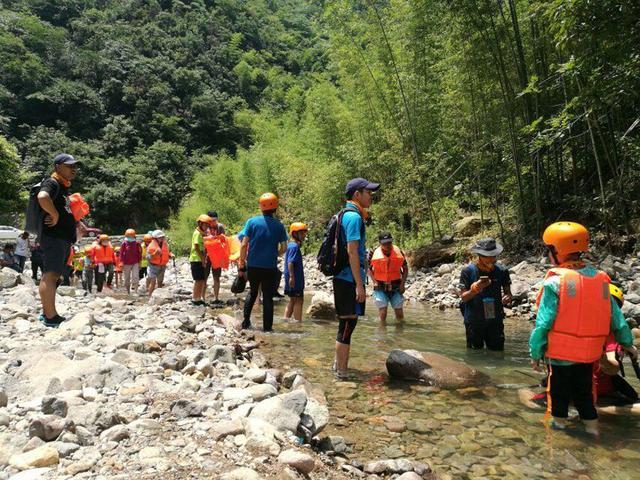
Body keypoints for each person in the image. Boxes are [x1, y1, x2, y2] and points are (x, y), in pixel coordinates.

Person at [529, 221, 637, 435]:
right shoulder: (602, 281)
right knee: (585, 397)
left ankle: (558, 436)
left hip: (560, 356)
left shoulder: (554, 283)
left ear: (556, 251)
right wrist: (628, 344)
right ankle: (592, 432)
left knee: (558, 398)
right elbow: (617, 320)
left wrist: (536, 352)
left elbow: (543, 323)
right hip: (589, 356)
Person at [332, 178, 379, 379]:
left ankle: (338, 367)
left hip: (344, 277)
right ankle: (341, 371)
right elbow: (352, 252)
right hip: (347, 279)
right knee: (347, 324)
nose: (371, 195)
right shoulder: (354, 217)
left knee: (347, 324)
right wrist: (360, 285)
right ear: (357, 195)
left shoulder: (345, 215)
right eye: (368, 192)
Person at [36, 153, 80, 327]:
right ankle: (50, 316)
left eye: (74, 166)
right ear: (57, 166)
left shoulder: (62, 187)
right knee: (51, 274)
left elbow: (65, 210)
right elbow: (42, 197)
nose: (73, 169)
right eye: (69, 166)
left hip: (61, 237)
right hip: (53, 236)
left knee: (55, 274)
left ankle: (49, 312)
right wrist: (53, 214)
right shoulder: (52, 183)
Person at [238, 193, 288, 332]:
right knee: (267, 296)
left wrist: (242, 263)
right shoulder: (279, 226)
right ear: (275, 208)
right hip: (270, 267)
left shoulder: (252, 222)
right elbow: (284, 248)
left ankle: (246, 323)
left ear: (261, 207)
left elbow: (243, 244)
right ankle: (267, 329)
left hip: (253, 265)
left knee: (253, 292)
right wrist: (274, 254)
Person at [459, 238, 512, 351]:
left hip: (495, 320)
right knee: (475, 354)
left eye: (493, 256)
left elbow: (508, 293)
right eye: (487, 256)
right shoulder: (467, 271)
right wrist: (475, 289)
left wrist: (507, 297)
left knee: (497, 353)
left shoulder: (502, 271)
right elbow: (464, 298)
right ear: (479, 255)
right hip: (474, 321)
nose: (491, 259)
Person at [594, 284, 639, 405]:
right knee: (632, 397)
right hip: (598, 379)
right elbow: (612, 364)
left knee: (632, 395)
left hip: (588, 375)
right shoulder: (615, 334)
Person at [368, 232, 409, 325]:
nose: (387, 245)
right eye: (384, 243)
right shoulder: (373, 252)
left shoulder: (398, 251)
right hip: (380, 286)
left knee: (399, 314)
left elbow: (405, 269)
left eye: (389, 242)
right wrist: (374, 282)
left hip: (396, 285)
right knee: (383, 312)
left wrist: (402, 284)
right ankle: (382, 333)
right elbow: (368, 268)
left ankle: (399, 334)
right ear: (380, 243)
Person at [284, 222, 308, 321]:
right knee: (299, 300)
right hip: (295, 279)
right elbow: (290, 262)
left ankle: (286, 319)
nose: (304, 235)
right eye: (302, 233)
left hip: (292, 278)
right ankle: (298, 322)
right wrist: (292, 277)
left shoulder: (291, 245)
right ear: (294, 234)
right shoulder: (294, 247)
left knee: (292, 300)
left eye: (304, 233)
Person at [190, 214, 212, 306]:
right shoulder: (197, 233)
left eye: (207, 225)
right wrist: (203, 258)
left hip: (200, 259)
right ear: (200, 224)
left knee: (202, 280)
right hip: (196, 260)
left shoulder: (202, 233)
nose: (206, 227)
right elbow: (196, 247)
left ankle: (198, 298)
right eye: (205, 225)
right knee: (198, 280)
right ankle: (195, 299)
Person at [206, 211, 225, 305]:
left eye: (215, 220)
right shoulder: (204, 227)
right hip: (206, 255)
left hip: (217, 256)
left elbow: (224, 241)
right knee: (204, 277)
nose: (214, 222)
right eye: (212, 220)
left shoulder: (220, 227)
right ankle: (202, 298)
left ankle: (216, 298)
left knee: (216, 277)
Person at [147, 229, 172, 297]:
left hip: (162, 266)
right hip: (153, 266)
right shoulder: (151, 246)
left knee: (160, 282)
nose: (161, 238)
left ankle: (159, 296)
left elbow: (167, 253)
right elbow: (148, 257)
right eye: (160, 237)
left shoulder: (165, 244)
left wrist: (170, 255)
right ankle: (149, 296)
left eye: (162, 237)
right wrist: (155, 253)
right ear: (155, 238)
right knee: (153, 281)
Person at [120, 228, 141, 295]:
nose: (130, 237)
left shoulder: (137, 243)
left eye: (131, 236)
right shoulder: (124, 243)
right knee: (127, 278)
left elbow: (139, 253)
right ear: (126, 236)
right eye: (128, 236)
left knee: (136, 277)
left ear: (134, 236)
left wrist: (139, 262)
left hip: (135, 262)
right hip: (126, 263)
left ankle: (136, 291)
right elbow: (121, 253)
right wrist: (121, 262)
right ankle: (128, 292)